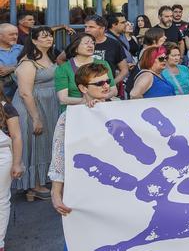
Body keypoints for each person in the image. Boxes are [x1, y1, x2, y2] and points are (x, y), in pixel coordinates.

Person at [48, 63, 115, 221]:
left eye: (107, 81)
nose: (106, 86)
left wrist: (104, 111)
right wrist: (56, 193)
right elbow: (59, 155)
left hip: (116, 185)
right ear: (83, 88)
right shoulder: (69, 118)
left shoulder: (121, 108)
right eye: (99, 83)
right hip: (84, 185)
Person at [12, 26, 59, 201]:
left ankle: (39, 181)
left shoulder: (51, 55)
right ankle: (32, 185)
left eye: (51, 36)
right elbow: (25, 92)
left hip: (48, 104)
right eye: (44, 36)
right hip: (32, 107)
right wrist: (36, 117)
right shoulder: (27, 62)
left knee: (44, 142)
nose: (49, 39)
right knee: (34, 142)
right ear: (33, 40)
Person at [54, 33, 116, 111]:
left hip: (100, 108)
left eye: (92, 43)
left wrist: (99, 100)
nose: (91, 46)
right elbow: (63, 99)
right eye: (86, 43)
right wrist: (88, 101)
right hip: (75, 111)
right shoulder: (63, 69)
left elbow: (114, 90)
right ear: (75, 47)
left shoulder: (103, 64)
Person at [84, 15, 129, 97]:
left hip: (106, 93)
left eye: (91, 27)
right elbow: (61, 59)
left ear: (102, 29)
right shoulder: (79, 43)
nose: (86, 30)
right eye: (86, 26)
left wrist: (111, 84)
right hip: (83, 92)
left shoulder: (114, 44)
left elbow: (124, 70)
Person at [0, 85, 22, 248]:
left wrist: (17, 162)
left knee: (1, 200)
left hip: (2, 156)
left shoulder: (6, 108)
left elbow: (16, 137)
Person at [0, 24, 23, 99]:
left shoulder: (22, 49)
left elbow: (33, 64)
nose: (15, 37)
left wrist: (12, 68)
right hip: (2, 97)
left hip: (21, 95)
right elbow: (1, 71)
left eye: (16, 34)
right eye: (11, 34)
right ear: (0, 36)